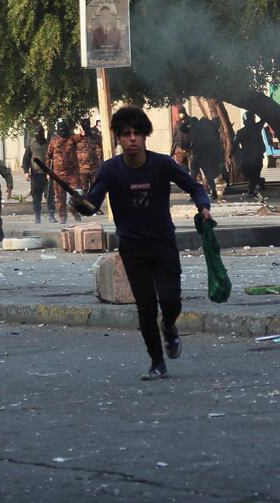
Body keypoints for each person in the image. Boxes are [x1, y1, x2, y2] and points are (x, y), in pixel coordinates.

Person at [73, 106, 211, 381]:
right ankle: (157, 362)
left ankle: (169, 327)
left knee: (170, 301)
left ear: (145, 136)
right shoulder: (111, 170)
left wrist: (203, 207)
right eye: (126, 134)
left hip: (163, 243)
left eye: (137, 133)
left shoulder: (162, 164)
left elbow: (194, 186)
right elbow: (92, 204)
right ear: (119, 139)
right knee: (145, 307)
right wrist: (79, 203)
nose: (132, 139)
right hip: (133, 249)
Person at [46, 118, 83, 224]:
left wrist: (82, 133)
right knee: (60, 197)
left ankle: (74, 210)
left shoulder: (72, 138)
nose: (62, 131)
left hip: (73, 173)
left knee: (76, 195)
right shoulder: (53, 141)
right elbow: (48, 156)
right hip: (58, 174)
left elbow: (79, 137)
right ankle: (62, 216)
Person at [22, 124, 54, 223]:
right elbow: (25, 160)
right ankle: (37, 217)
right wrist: (26, 172)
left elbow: (54, 158)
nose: (38, 135)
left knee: (49, 195)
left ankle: (51, 215)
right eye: (37, 133)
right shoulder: (31, 146)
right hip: (36, 175)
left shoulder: (48, 144)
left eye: (40, 132)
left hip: (47, 175)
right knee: (36, 196)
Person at [188, 117, 225, 200]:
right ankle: (213, 192)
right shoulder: (206, 131)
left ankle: (193, 195)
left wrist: (188, 121)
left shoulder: (194, 130)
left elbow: (182, 128)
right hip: (204, 156)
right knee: (209, 175)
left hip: (197, 155)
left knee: (194, 176)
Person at [234, 111, 266, 199]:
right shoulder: (240, 132)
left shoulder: (257, 127)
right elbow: (235, 144)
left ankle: (250, 192)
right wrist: (232, 152)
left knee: (255, 173)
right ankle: (260, 181)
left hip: (257, 155)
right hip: (246, 156)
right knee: (246, 172)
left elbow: (264, 118)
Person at [77, 118, 104, 193]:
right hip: (82, 169)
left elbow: (104, 146)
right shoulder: (77, 138)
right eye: (85, 125)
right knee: (83, 191)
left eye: (88, 125)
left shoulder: (95, 136)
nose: (87, 127)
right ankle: (85, 205)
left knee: (95, 190)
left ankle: (93, 205)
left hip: (94, 168)